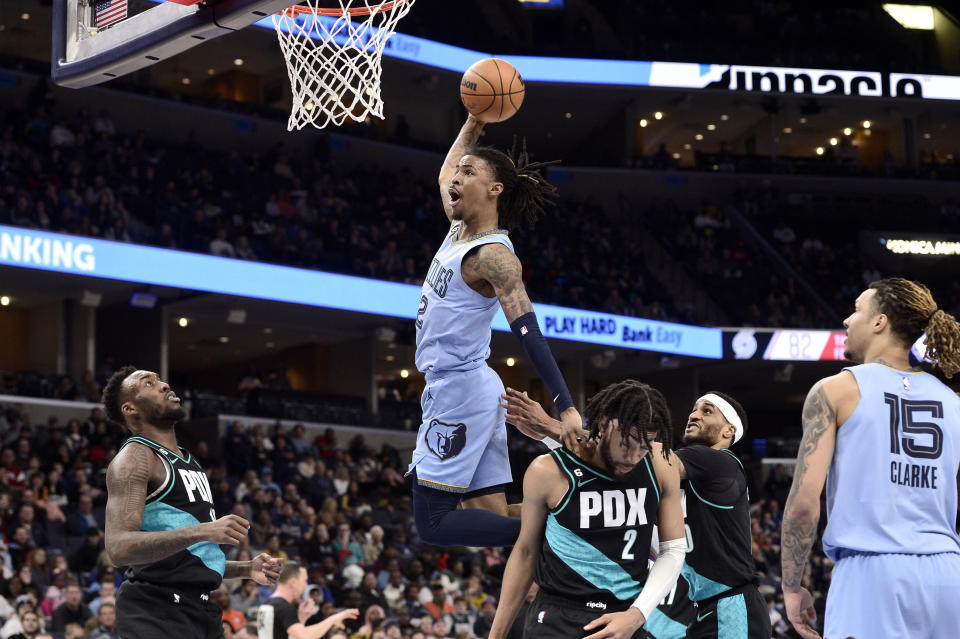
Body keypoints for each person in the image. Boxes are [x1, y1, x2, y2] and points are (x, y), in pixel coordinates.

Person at [407, 114, 582, 548]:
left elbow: (528, 331)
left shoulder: (494, 257)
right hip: (471, 388)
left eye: (470, 172)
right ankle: (589, 513)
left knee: (432, 523)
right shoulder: (456, 232)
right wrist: (473, 120)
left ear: (494, 189)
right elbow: (445, 169)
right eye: (458, 171)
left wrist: (566, 406)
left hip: (461, 392)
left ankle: (564, 536)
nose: (456, 177)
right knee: (495, 516)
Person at [503, 387, 771, 638]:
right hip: (698, 607)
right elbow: (608, 474)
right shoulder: (676, 484)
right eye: (695, 409)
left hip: (732, 604)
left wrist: (555, 429)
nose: (694, 414)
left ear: (729, 430)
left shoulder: (721, 463)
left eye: (707, 411)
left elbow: (626, 451)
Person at [780, 278, 960, 639]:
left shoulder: (836, 390)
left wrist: (791, 584)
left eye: (858, 309)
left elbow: (803, 504)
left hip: (871, 574)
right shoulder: (952, 401)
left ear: (880, 322)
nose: (847, 320)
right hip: (947, 575)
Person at [489, 380, 686, 639]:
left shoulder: (661, 463)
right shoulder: (547, 470)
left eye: (644, 446)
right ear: (603, 425)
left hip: (625, 615)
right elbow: (526, 552)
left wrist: (636, 614)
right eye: (627, 443)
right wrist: (496, 635)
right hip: (557, 615)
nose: (634, 456)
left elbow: (672, 549)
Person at [101, 367, 284, 639]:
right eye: (149, 383)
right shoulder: (135, 458)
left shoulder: (188, 460)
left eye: (160, 379)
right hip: (155, 610)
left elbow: (187, 558)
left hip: (200, 610)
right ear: (130, 408)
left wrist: (246, 569)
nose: (164, 385)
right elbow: (117, 548)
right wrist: (204, 531)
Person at [256, 561, 358, 639]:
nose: (306, 586)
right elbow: (305, 636)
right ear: (293, 582)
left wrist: (301, 619)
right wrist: (333, 619)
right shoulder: (283, 608)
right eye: (304, 581)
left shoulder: (267, 604)